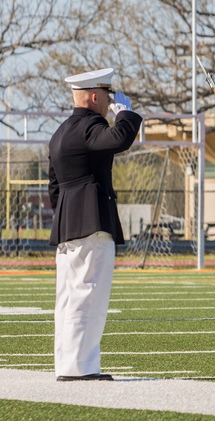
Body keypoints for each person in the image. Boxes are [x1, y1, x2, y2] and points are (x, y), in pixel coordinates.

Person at [49, 68, 141, 382]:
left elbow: (54, 188)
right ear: (94, 97)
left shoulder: (60, 132)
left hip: (69, 223)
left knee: (69, 298)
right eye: (107, 96)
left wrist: (66, 217)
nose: (109, 102)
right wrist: (127, 115)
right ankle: (81, 368)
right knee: (89, 296)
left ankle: (68, 364)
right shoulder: (90, 127)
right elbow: (119, 139)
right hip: (92, 220)